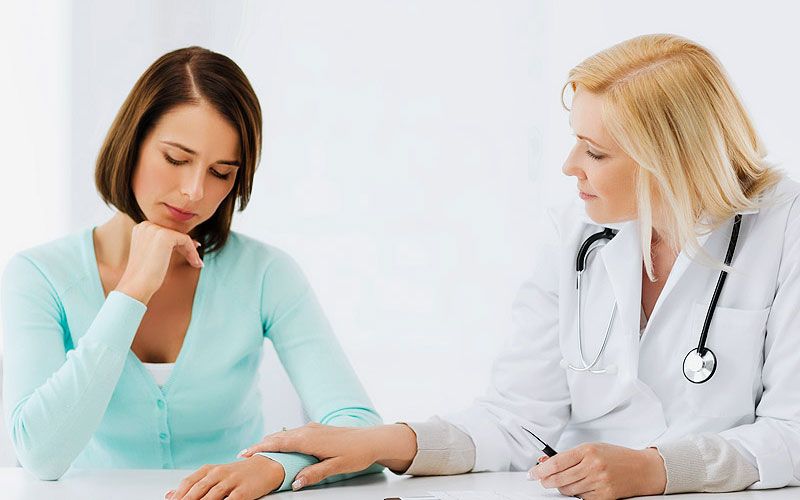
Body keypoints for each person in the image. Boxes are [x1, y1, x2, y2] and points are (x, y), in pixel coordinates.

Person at [236, 34, 800, 499]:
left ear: (670, 160)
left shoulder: (783, 227)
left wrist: (657, 469)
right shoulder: (577, 233)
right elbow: (518, 422)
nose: (570, 165)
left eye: (595, 151)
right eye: (575, 141)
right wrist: (384, 443)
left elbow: (793, 435)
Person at [0, 46, 382, 499]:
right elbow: (41, 455)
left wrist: (273, 469)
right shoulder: (39, 275)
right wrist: (132, 292)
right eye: (176, 159)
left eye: (221, 172)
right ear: (132, 143)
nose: (195, 191)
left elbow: (360, 431)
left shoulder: (266, 273)